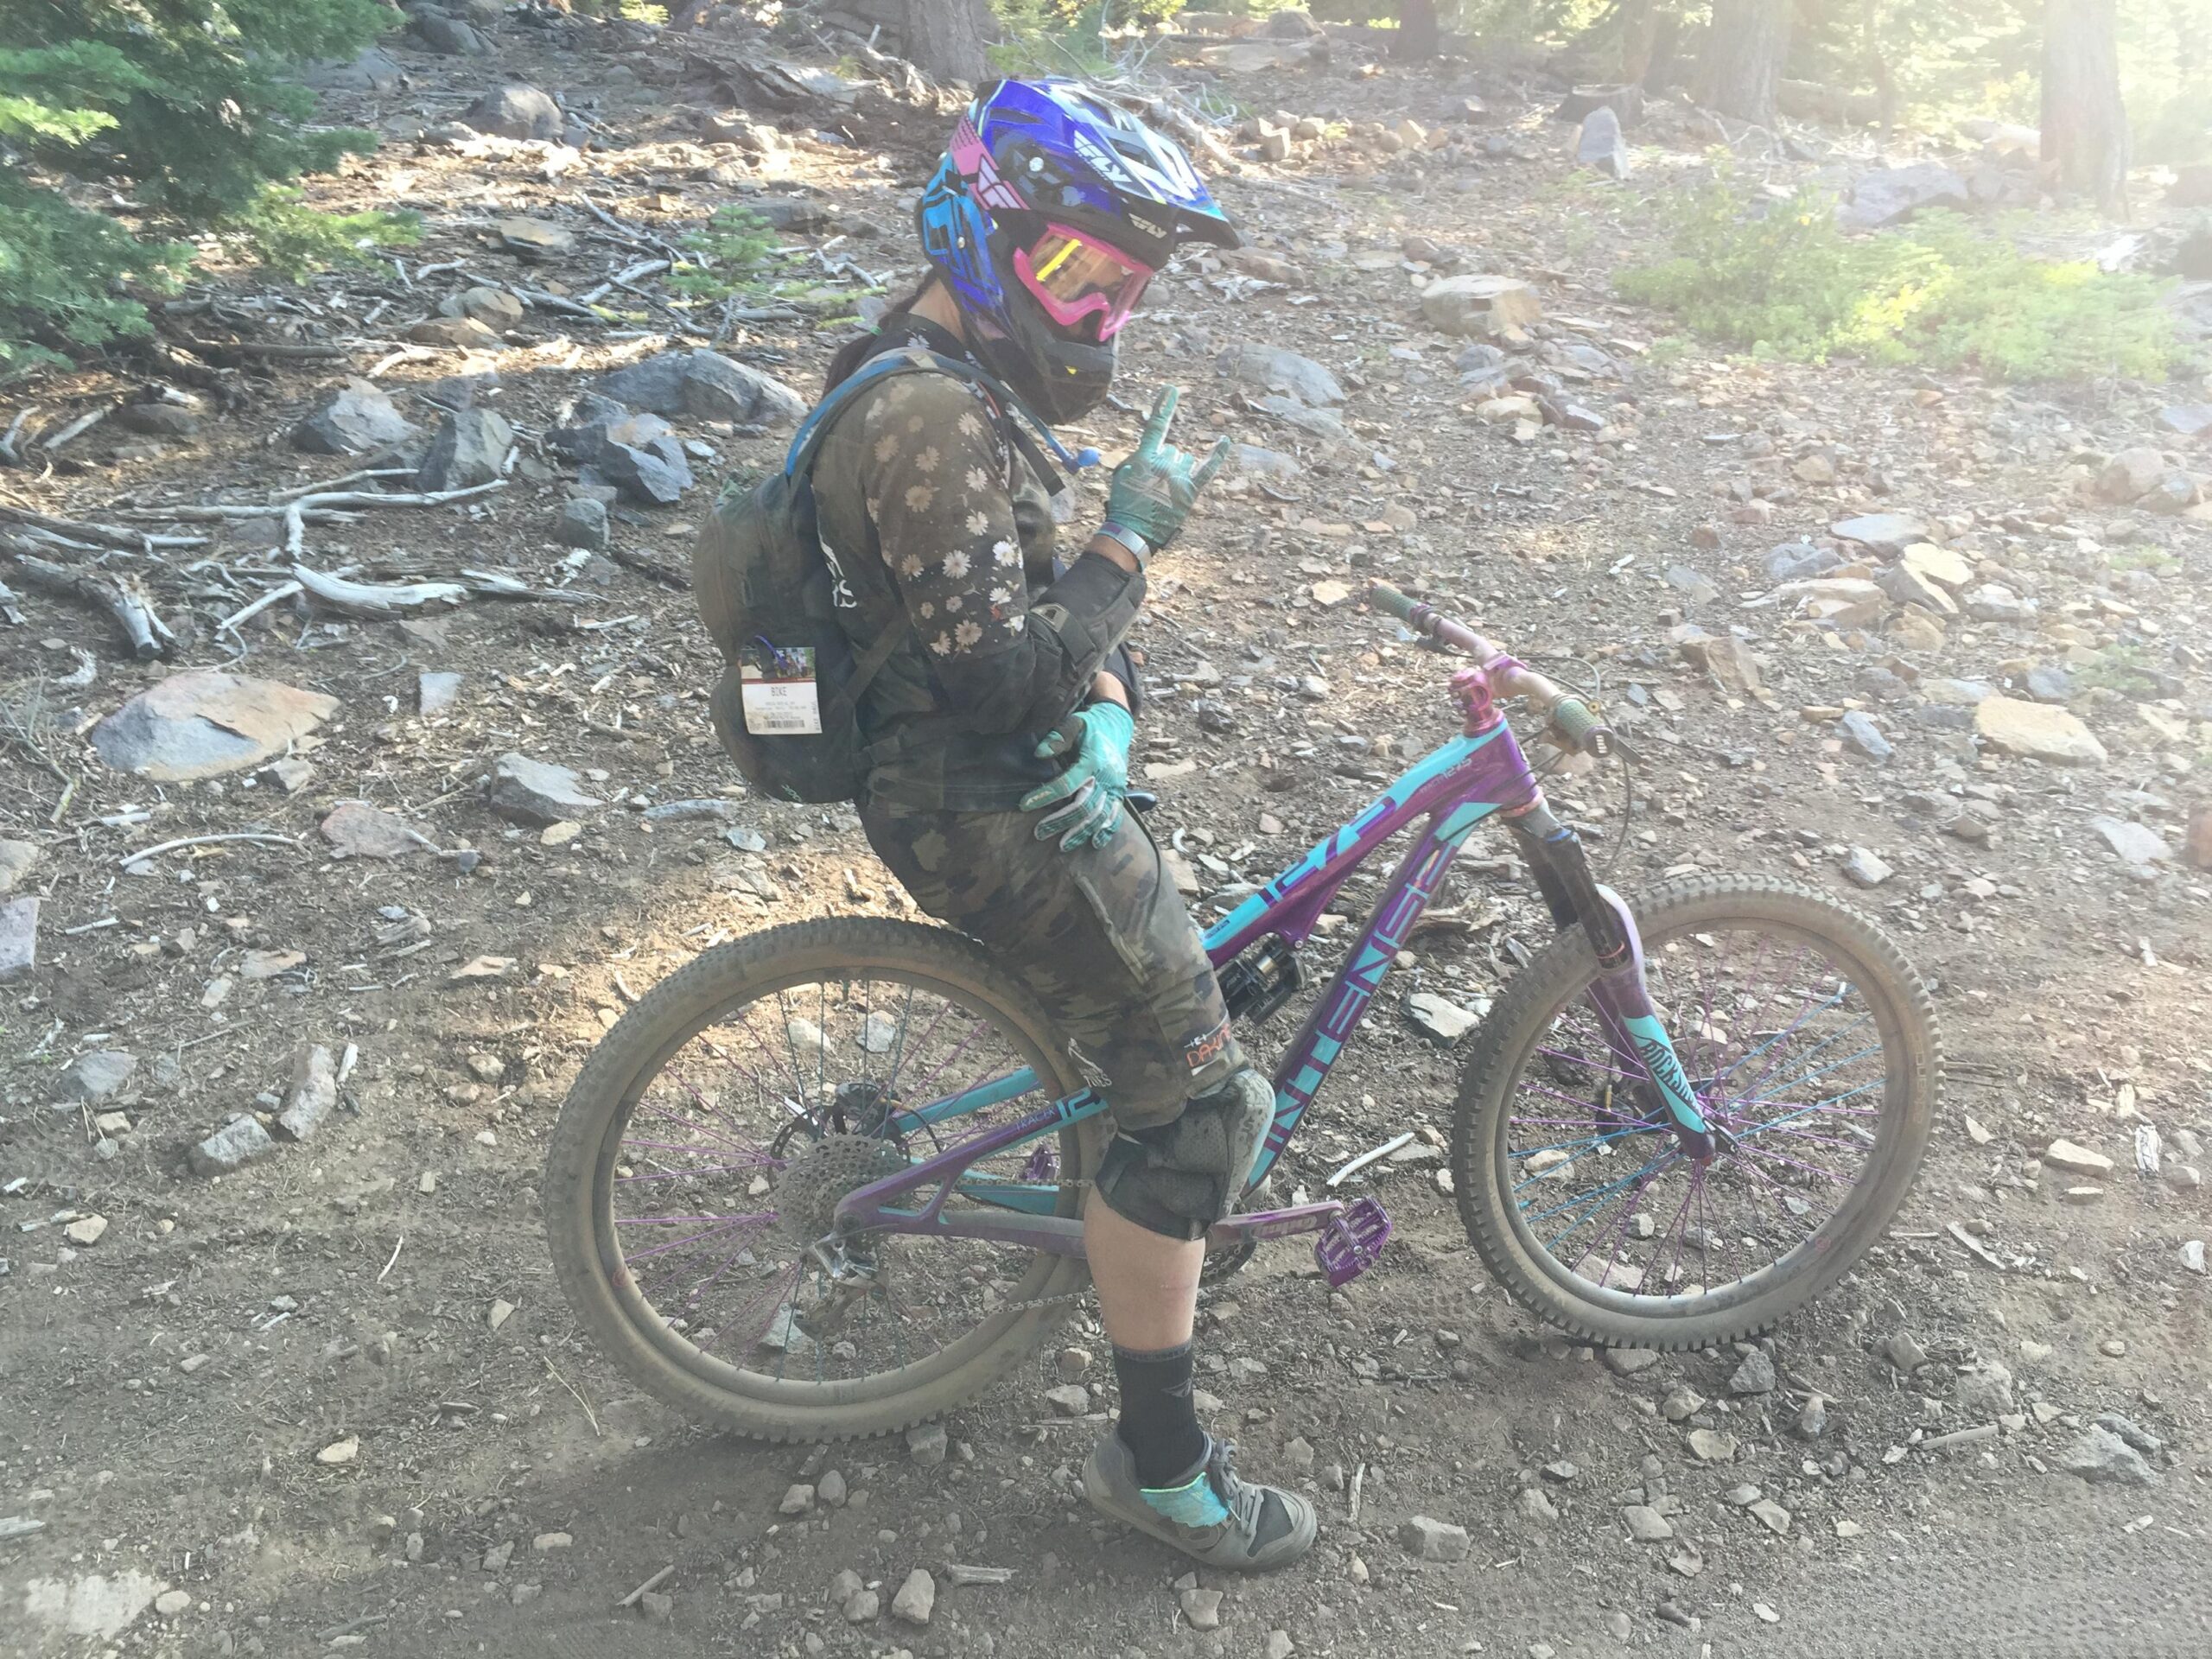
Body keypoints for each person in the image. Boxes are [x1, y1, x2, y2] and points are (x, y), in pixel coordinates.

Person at [804, 79, 1315, 1571]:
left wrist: (1109, 705)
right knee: (1203, 1110)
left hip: (999, 770)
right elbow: (1000, 668)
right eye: (1076, 270)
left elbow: (1039, 646)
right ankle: (1164, 1473)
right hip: (978, 803)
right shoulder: (921, 415)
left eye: (1123, 284)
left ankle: (1129, 1118)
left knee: (1170, 1005)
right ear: (982, 227)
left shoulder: (937, 376)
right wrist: (1135, 537)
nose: (1099, 312)